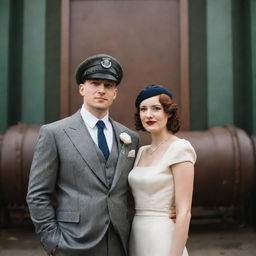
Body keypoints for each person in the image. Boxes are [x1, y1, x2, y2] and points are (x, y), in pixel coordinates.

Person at [26, 54, 139, 256]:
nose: (101, 90)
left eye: (108, 85)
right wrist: (53, 242)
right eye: (95, 83)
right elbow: (37, 194)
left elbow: (133, 190)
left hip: (120, 243)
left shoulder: (130, 137)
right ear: (82, 88)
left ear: (115, 93)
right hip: (72, 242)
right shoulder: (55, 133)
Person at [128, 85, 196, 256]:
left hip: (163, 236)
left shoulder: (180, 148)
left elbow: (184, 213)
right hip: (136, 235)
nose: (148, 114)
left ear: (169, 113)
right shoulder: (141, 151)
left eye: (156, 108)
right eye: (143, 109)